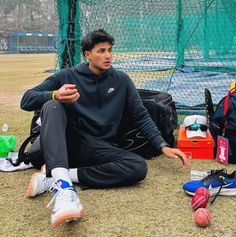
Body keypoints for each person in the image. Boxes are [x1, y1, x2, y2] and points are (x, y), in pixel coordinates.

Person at [21, 29, 189, 227]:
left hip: (99, 148)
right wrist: (54, 94)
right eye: (101, 51)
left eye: (109, 50)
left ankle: (56, 178)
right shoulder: (67, 76)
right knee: (52, 105)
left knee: (138, 167)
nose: (107, 55)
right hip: (68, 143)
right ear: (87, 54)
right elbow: (26, 99)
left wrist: (162, 145)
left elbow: (140, 114)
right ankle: (64, 190)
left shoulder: (122, 80)